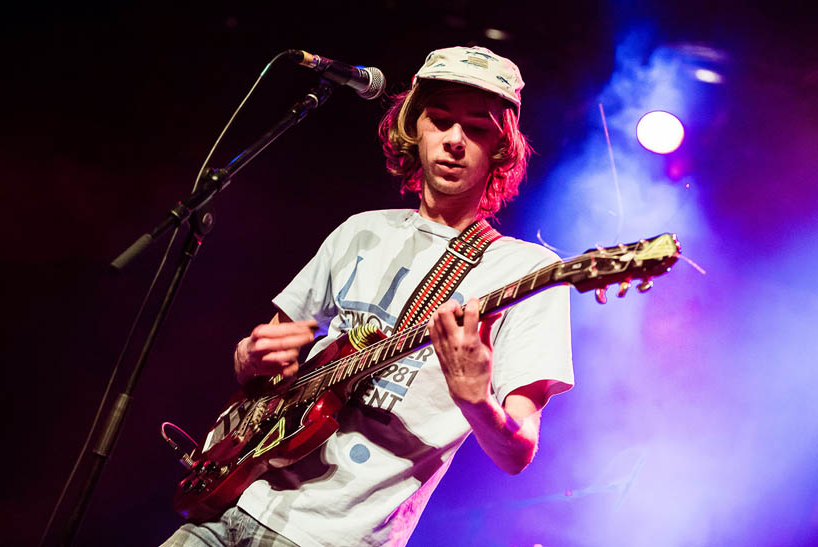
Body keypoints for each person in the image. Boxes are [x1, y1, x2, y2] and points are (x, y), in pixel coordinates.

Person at [163, 45, 573, 547]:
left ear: (501, 147)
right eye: (440, 120)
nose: (454, 141)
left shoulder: (525, 272)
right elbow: (263, 362)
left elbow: (517, 453)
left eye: (477, 128)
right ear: (413, 126)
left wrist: (475, 400)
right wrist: (249, 355)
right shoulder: (360, 231)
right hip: (233, 501)